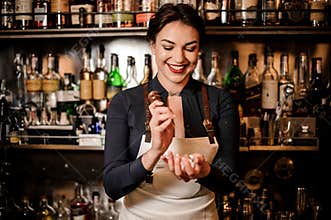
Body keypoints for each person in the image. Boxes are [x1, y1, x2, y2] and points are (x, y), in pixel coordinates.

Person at [103, 3, 239, 219]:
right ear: (152, 46)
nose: (179, 58)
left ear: (199, 49)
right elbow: (112, 185)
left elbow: (232, 182)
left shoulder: (220, 100)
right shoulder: (124, 102)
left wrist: (203, 172)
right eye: (168, 47)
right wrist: (154, 152)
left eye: (190, 47)